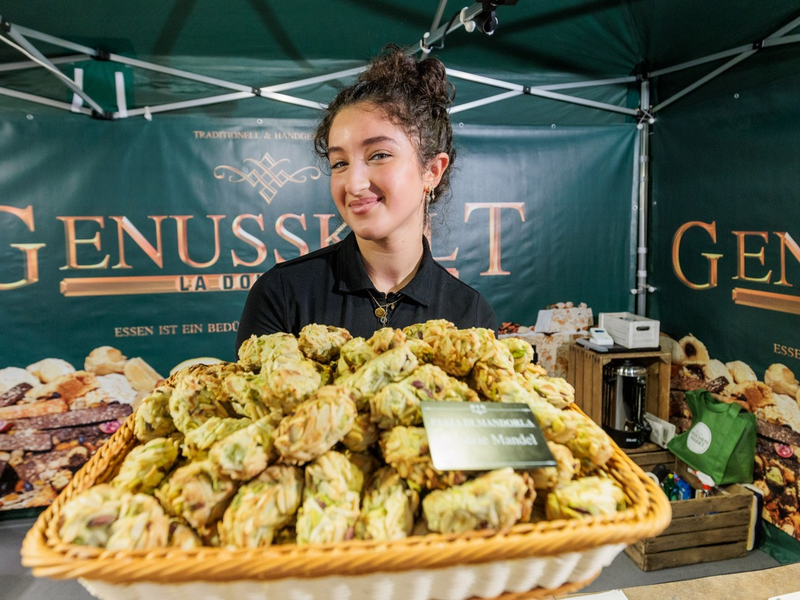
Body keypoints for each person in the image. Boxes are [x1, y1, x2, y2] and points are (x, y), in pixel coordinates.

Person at [235, 45, 497, 351]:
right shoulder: (283, 293)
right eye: (340, 164)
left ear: (432, 171)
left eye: (379, 155)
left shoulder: (469, 315)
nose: (354, 184)